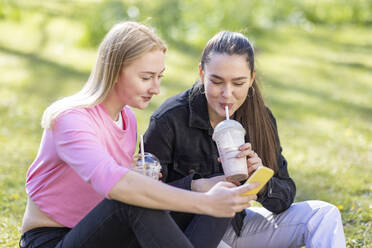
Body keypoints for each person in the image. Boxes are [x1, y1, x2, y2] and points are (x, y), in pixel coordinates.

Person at [19, 22, 261, 248]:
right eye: (146, 78)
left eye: (159, 77)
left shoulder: (128, 119)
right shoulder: (71, 119)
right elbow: (116, 185)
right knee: (133, 201)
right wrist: (205, 201)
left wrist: (203, 189)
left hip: (104, 232)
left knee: (220, 202)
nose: (155, 88)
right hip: (52, 240)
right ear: (114, 72)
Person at [143, 31, 346, 248]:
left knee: (324, 215)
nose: (227, 94)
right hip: (189, 234)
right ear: (202, 73)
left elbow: (285, 196)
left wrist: (259, 181)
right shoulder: (170, 119)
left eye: (238, 83)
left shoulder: (261, 119)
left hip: (239, 226)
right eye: (217, 81)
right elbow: (145, 197)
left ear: (251, 78)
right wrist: (196, 186)